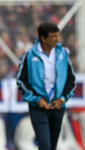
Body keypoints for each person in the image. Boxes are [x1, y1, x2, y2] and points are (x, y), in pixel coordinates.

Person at [16, 22, 76, 150]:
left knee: (52, 146)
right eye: (53, 36)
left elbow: (71, 80)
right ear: (43, 38)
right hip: (38, 108)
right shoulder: (30, 55)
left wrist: (62, 99)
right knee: (45, 145)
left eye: (57, 36)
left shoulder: (62, 54)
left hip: (58, 106)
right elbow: (21, 81)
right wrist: (37, 99)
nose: (57, 39)